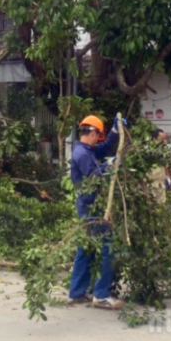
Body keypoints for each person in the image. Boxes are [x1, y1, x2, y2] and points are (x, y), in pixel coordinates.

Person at [68, 115, 124, 310]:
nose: (98, 140)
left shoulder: (86, 150)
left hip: (88, 207)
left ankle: (77, 292)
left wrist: (115, 132)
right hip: (91, 208)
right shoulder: (82, 154)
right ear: (92, 133)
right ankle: (101, 295)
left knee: (86, 249)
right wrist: (108, 166)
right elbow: (94, 177)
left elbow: (105, 148)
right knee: (107, 248)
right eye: (98, 136)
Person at [147, 129, 171, 203]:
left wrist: (168, 178)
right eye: (162, 139)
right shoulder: (147, 152)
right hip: (151, 186)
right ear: (154, 139)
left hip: (161, 185)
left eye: (165, 139)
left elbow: (165, 165)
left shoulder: (163, 151)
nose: (165, 142)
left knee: (161, 206)